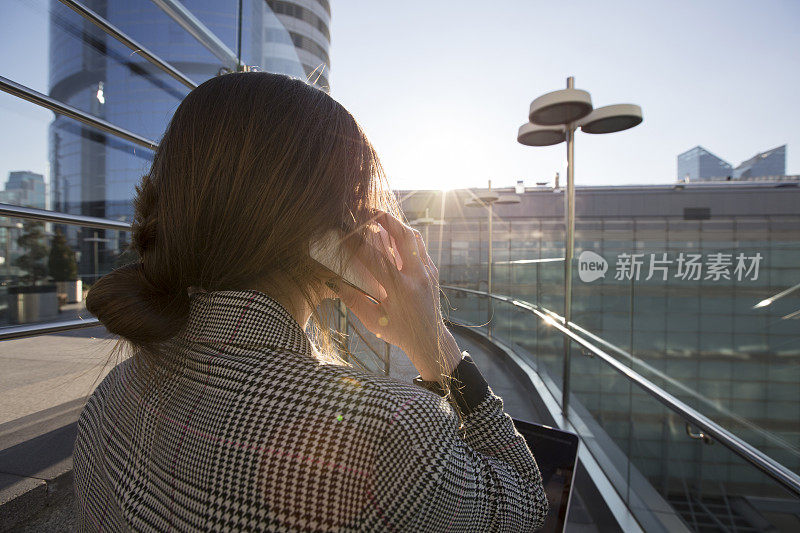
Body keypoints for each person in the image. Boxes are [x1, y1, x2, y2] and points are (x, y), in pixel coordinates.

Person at [74, 72, 548, 532]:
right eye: (360, 205)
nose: (367, 224)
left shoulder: (108, 400)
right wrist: (432, 342)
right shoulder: (389, 434)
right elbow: (525, 501)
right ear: (322, 232)